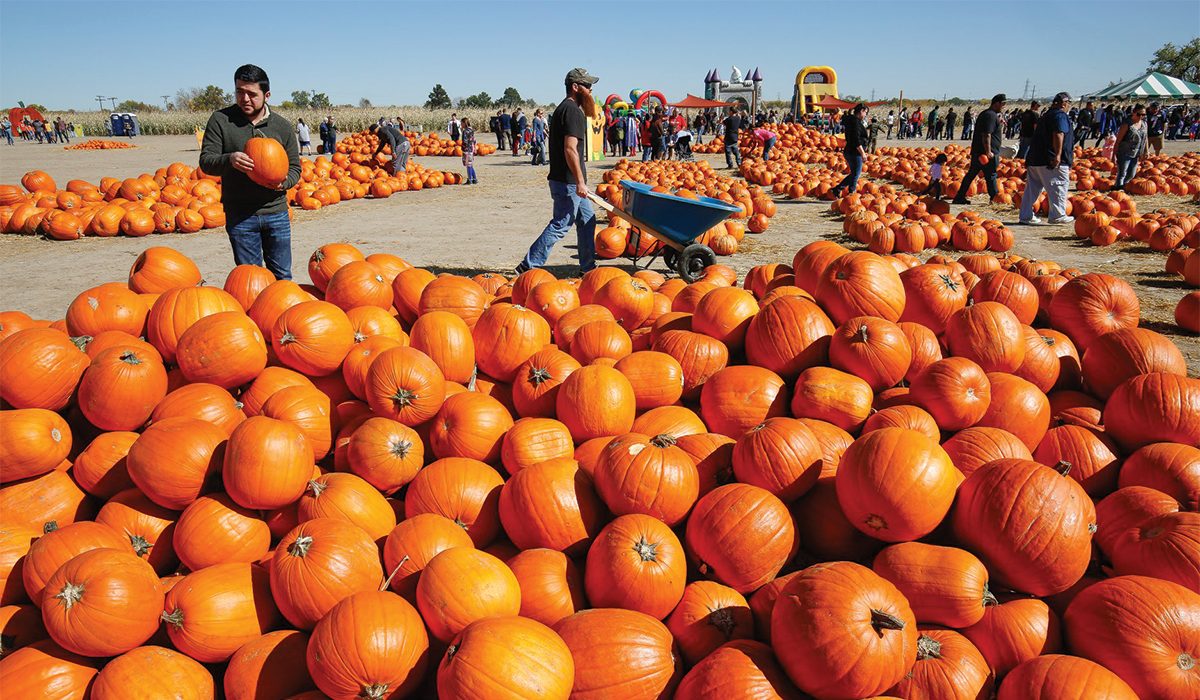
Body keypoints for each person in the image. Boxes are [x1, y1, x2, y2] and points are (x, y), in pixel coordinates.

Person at [199, 63, 301, 281]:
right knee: (250, 280)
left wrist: (284, 183)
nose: (245, 99)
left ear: (267, 95)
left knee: (282, 277)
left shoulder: (281, 126)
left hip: (276, 212)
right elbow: (206, 162)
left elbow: (295, 167)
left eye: (252, 94)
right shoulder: (221, 121)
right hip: (240, 215)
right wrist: (230, 159)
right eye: (239, 92)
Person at [516, 68, 600, 276]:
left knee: (588, 220)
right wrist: (580, 182)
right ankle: (528, 266)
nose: (590, 90)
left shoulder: (563, 110)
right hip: (569, 182)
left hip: (569, 180)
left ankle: (587, 269)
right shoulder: (572, 111)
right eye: (587, 86)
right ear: (575, 87)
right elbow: (570, 149)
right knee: (561, 224)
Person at [1019, 92, 1075, 225]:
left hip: (1035, 158)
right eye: (1069, 103)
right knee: (1058, 186)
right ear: (1063, 103)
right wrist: (1058, 155)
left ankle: (1025, 216)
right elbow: (1058, 134)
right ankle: (1057, 215)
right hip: (1049, 159)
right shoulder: (1060, 116)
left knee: (1032, 189)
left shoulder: (1045, 116)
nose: (1069, 106)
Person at [952, 94, 1006, 205]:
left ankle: (960, 196)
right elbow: (986, 134)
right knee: (991, 175)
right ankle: (995, 198)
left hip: (979, 151)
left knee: (972, 174)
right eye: (1002, 104)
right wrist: (988, 151)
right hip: (985, 154)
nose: (1003, 107)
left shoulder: (986, 114)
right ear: (997, 104)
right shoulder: (990, 116)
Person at [830, 103, 869, 198]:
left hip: (849, 151)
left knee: (854, 173)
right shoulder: (855, 122)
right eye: (865, 113)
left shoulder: (851, 121)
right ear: (861, 111)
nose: (865, 116)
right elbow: (856, 140)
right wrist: (863, 153)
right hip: (855, 152)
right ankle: (851, 194)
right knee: (855, 174)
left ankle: (837, 189)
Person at [1111, 104, 1147, 191]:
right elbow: (1118, 140)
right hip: (1124, 152)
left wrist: (1146, 151)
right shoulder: (1126, 125)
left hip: (1136, 153)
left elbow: (1145, 138)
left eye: (1143, 115)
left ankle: (1124, 185)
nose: (1141, 117)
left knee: (1132, 173)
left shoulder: (1144, 124)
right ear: (1133, 113)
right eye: (1139, 114)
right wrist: (1114, 154)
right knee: (1122, 172)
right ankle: (1118, 189)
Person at [460, 117, 477, 184]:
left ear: (464, 123)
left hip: (467, 149)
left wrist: (463, 149)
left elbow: (465, 141)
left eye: (462, 123)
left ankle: (470, 179)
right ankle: (474, 178)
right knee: (470, 164)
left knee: (468, 164)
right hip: (471, 149)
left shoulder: (465, 131)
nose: (461, 124)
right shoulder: (471, 130)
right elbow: (473, 140)